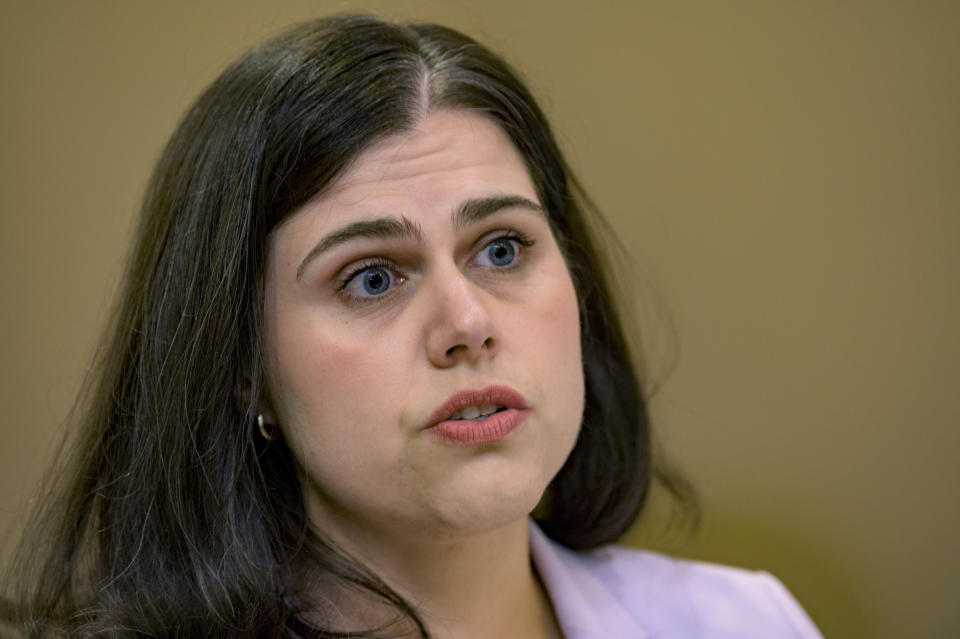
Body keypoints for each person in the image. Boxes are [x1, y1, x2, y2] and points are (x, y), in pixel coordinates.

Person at [1, 15, 823, 639]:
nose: (467, 323)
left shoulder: (742, 620)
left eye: (502, 248)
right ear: (242, 367)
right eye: (372, 277)